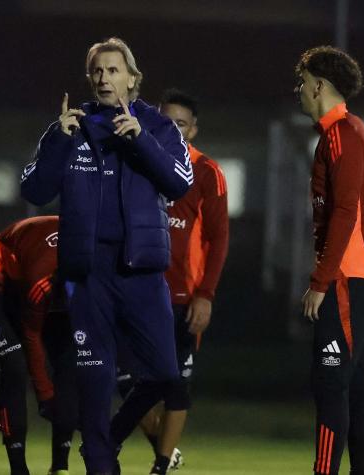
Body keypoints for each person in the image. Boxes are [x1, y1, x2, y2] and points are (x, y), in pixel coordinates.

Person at [20, 37, 193, 474]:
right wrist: (58, 141)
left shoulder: (158, 127)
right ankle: (99, 459)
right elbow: (34, 190)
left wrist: (140, 140)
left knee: (166, 376)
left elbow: (179, 184)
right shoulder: (70, 126)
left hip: (141, 272)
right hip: (87, 274)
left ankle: (110, 439)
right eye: (97, 71)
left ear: (133, 79)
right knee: (94, 381)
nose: (104, 78)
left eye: (114, 70)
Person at [117, 89, 229, 474]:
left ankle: (162, 464)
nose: (173, 131)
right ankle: (165, 449)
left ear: (193, 130)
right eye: (166, 122)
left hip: (182, 297)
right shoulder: (137, 162)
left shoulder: (206, 172)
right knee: (126, 379)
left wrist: (205, 295)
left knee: (174, 385)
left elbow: (218, 239)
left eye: (180, 124)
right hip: (135, 291)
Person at [295, 46, 364, 475]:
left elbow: (346, 213)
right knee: (357, 387)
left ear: (318, 84)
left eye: (302, 82)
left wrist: (320, 280)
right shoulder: (354, 131)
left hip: (348, 278)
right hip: (361, 274)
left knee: (331, 382)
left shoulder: (342, 135)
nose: (299, 91)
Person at [0, 215, 76, 475]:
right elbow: (32, 337)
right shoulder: (40, 284)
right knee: (15, 367)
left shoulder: (94, 275)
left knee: (69, 366)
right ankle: (18, 468)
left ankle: (60, 466)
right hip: (2, 281)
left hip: (42, 273)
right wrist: (45, 396)